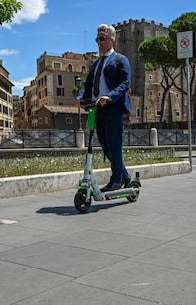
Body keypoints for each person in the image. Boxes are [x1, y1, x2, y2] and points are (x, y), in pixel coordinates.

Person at [78, 24, 131, 191]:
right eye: (97, 39)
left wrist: (110, 96)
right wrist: (80, 97)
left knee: (114, 144)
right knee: (104, 144)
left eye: (101, 39)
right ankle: (125, 176)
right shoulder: (95, 64)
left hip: (112, 108)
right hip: (97, 108)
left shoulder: (120, 60)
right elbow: (87, 84)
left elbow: (125, 83)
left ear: (111, 40)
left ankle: (116, 180)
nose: (98, 43)